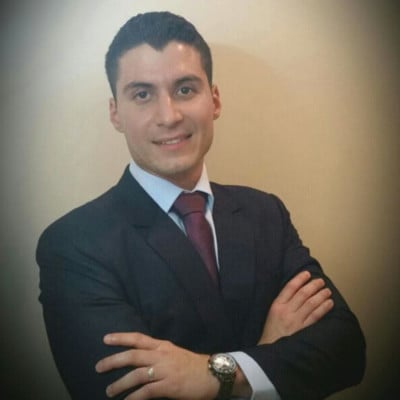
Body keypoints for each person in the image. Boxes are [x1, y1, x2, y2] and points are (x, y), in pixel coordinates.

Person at [36, 11, 366, 400]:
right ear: (115, 113)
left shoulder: (266, 214)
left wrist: (214, 374)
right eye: (142, 94)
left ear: (214, 100)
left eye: (185, 89)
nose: (168, 116)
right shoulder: (74, 245)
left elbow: (345, 351)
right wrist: (261, 357)